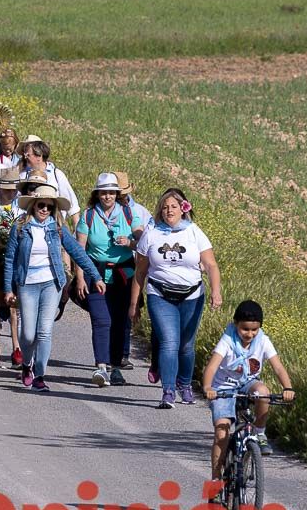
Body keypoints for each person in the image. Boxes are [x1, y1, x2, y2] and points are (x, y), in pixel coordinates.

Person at [3, 183, 104, 393]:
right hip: (27, 284)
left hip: (51, 283)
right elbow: (10, 259)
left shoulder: (57, 229)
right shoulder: (20, 227)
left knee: (44, 331)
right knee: (28, 334)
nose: (45, 210)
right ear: (33, 205)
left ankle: (40, 375)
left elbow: (77, 252)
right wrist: (8, 289)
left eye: (49, 207)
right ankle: (26, 364)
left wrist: (95, 276)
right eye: (41, 205)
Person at [130, 187, 223, 409]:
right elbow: (140, 272)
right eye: (165, 207)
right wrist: (134, 304)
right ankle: (168, 391)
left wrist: (216, 291)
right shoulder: (151, 234)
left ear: (183, 209)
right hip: (160, 294)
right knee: (169, 343)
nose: (169, 211)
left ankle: (185, 384)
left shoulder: (193, 232)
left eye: (173, 207)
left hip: (192, 295)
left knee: (186, 345)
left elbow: (210, 264)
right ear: (160, 211)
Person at [203, 301, 295, 479]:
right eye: (245, 329)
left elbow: (278, 367)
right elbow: (212, 367)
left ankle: (259, 432)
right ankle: (216, 476)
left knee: (263, 392)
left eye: (254, 330)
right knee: (222, 432)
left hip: (248, 382)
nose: (250, 334)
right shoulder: (228, 340)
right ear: (236, 324)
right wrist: (208, 387)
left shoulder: (263, 340)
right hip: (223, 387)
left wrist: (288, 388)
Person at [75, 173, 141, 387]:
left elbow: (144, 241)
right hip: (96, 273)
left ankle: (114, 367)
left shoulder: (129, 214)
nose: (107, 196)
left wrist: (130, 243)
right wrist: (80, 279)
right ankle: (101, 367)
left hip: (124, 275)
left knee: (120, 322)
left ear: (117, 194)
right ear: (97, 194)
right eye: (104, 192)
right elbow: (79, 250)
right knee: (102, 320)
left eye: (111, 192)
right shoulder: (88, 216)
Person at [110, 171, 149, 372]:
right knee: (111, 314)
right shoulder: (101, 212)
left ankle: (123, 354)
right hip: (110, 267)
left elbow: (148, 241)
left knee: (127, 312)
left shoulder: (141, 212)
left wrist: (130, 243)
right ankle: (111, 354)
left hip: (132, 268)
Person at [0, 166, 22, 368]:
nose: (10, 192)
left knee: (14, 306)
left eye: (13, 189)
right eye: (6, 188)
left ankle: (16, 346)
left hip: (12, 259)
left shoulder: (20, 209)